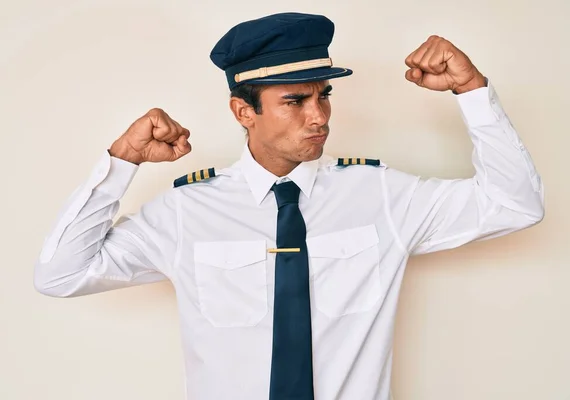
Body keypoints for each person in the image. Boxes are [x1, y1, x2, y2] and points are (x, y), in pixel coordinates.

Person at [34, 11, 544, 400]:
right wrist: (121, 162)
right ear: (243, 111)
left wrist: (472, 92)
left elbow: (515, 204)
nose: (319, 116)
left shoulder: (381, 196)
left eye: (323, 95)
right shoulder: (185, 213)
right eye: (294, 101)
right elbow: (60, 275)